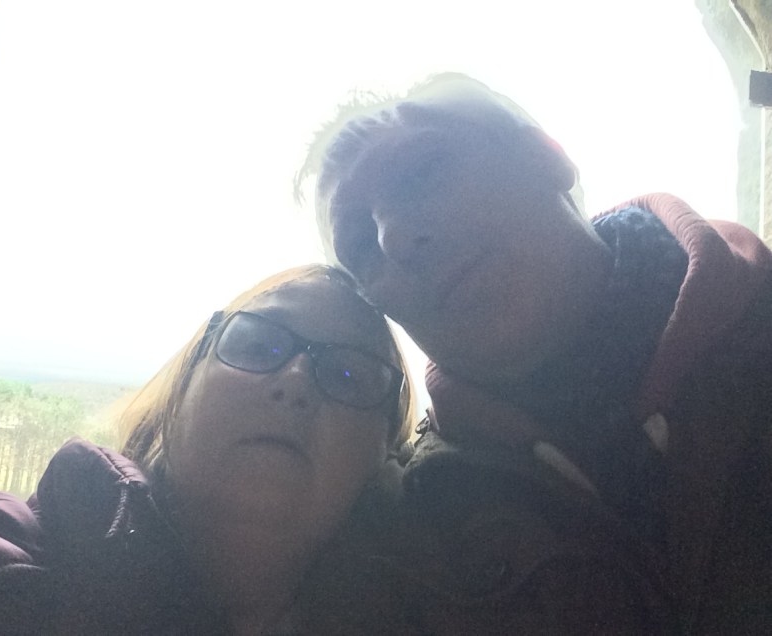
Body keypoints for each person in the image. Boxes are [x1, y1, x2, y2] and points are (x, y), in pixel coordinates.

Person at [297, 72, 772, 633]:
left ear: (549, 156)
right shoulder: (398, 542)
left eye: (424, 170)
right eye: (358, 244)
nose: (391, 238)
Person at [0, 264, 417, 634]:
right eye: (258, 344)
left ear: (386, 450)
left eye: (348, 374)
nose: (295, 381)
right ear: (182, 391)